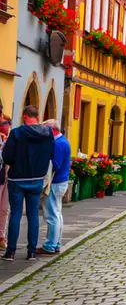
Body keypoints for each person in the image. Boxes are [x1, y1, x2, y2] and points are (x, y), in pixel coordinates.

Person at [0, 106, 54, 261]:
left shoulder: (17, 133)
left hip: (17, 178)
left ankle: (10, 252)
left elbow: (8, 156)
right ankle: (31, 252)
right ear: (37, 117)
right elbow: (51, 154)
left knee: (16, 214)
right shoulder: (47, 133)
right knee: (33, 215)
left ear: (24, 116)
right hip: (37, 178)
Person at [37, 120, 70, 256]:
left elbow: (54, 165)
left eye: (45, 129)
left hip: (55, 183)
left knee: (51, 216)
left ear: (52, 130)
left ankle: (50, 245)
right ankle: (56, 243)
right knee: (57, 214)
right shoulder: (63, 141)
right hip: (61, 182)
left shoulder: (57, 144)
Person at [0, 117, 11, 251]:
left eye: (7, 124)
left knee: (4, 209)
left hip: (8, 177)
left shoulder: (10, 139)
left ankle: (2, 236)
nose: (6, 126)